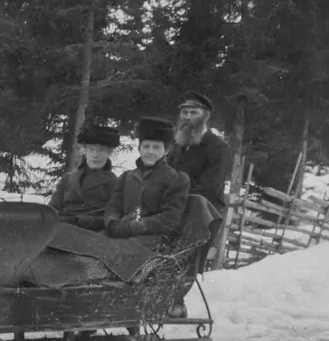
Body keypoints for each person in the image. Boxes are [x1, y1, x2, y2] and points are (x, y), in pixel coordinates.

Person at [104, 116, 190, 245]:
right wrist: (113, 224)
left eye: (156, 147)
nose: (150, 151)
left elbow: (171, 217)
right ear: (139, 148)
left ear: (166, 150)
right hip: (122, 234)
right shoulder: (126, 177)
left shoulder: (176, 178)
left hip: (155, 238)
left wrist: (139, 226)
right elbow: (114, 206)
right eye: (146, 146)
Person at [168, 91, 232, 215]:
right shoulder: (177, 144)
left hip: (203, 214)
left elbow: (209, 188)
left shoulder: (219, 147)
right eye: (184, 112)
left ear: (206, 117)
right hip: (173, 210)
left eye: (194, 113)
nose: (188, 117)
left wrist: (172, 199)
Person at [48, 123, 121, 230]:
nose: (95, 155)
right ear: (84, 150)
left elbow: (111, 219)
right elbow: (52, 209)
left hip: (93, 237)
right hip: (61, 232)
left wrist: (78, 220)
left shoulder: (115, 184)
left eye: (101, 150)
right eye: (91, 149)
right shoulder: (68, 179)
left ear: (109, 152)